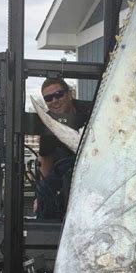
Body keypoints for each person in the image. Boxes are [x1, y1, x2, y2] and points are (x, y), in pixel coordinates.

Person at [34, 77, 92, 219]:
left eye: (58, 94)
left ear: (69, 94)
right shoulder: (48, 123)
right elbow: (46, 157)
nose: (54, 100)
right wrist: (41, 195)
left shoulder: (93, 110)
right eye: (48, 98)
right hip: (65, 169)